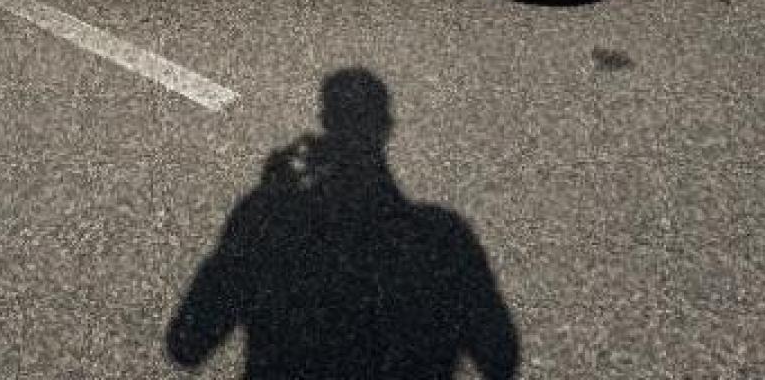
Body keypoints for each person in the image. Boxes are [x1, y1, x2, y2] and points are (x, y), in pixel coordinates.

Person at [167, 69, 519, 379]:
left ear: (325, 124)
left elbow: (188, 343)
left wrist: (261, 204)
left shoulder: (272, 227)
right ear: (385, 129)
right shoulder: (443, 238)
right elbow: (500, 357)